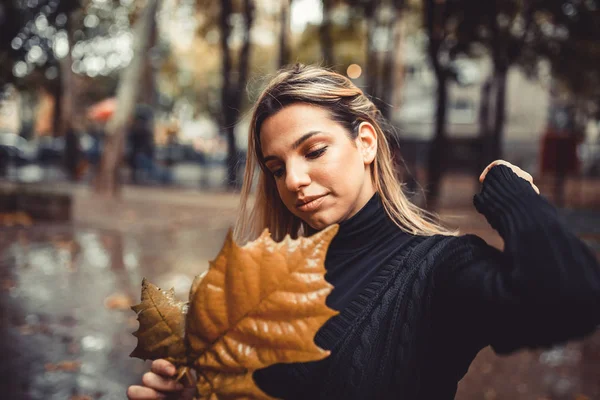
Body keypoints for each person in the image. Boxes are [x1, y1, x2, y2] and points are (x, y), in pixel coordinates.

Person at [127, 64, 600, 400]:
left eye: (313, 151)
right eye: (276, 167)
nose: (293, 180)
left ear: (366, 142)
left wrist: (509, 189)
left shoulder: (438, 269)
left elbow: (571, 295)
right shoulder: (268, 282)